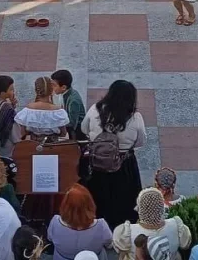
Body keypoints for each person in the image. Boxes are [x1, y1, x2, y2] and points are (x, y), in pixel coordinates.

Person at [82, 80, 147, 228]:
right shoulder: (135, 118)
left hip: (98, 163)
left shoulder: (95, 110)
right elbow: (141, 142)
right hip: (124, 165)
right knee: (125, 200)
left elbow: (84, 129)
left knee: (99, 197)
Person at [113, 188, 191, 260]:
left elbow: (120, 252)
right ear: (162, 208)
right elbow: (185, 245)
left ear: (140, 209)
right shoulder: (176, 224)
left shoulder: (127, 232)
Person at [48, 184, 113, 260]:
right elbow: (109, 245)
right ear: (89, 203)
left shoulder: (55, 222)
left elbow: (50, 238)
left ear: (65, 205)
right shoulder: (101, 225)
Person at [51, 69, 86, 139]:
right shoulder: (64, 93)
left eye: (54, 85)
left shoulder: (73, 100)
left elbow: (72, 124)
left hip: (76, 133)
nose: (52, 88)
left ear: (63, 87)